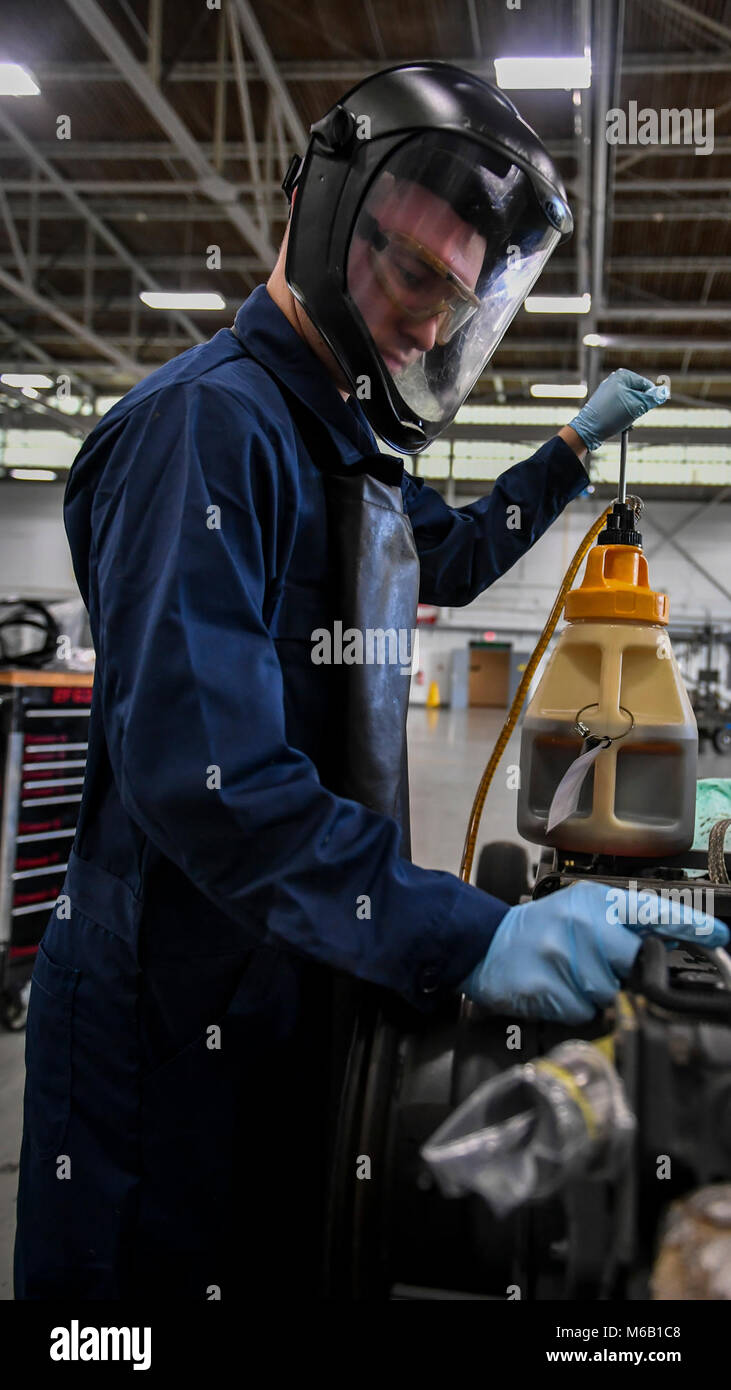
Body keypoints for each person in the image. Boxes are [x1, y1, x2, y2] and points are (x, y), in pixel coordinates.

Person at [14, 61, 726, 1302]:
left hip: (294, 983)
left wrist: (567, 450)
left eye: (456, 299)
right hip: (165, 1037)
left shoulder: (345, 444)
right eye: (407, 275)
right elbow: (213, 787)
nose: (428, 325)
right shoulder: (209, 431)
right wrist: (470, 932)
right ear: (315, 214)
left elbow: (439, 552)